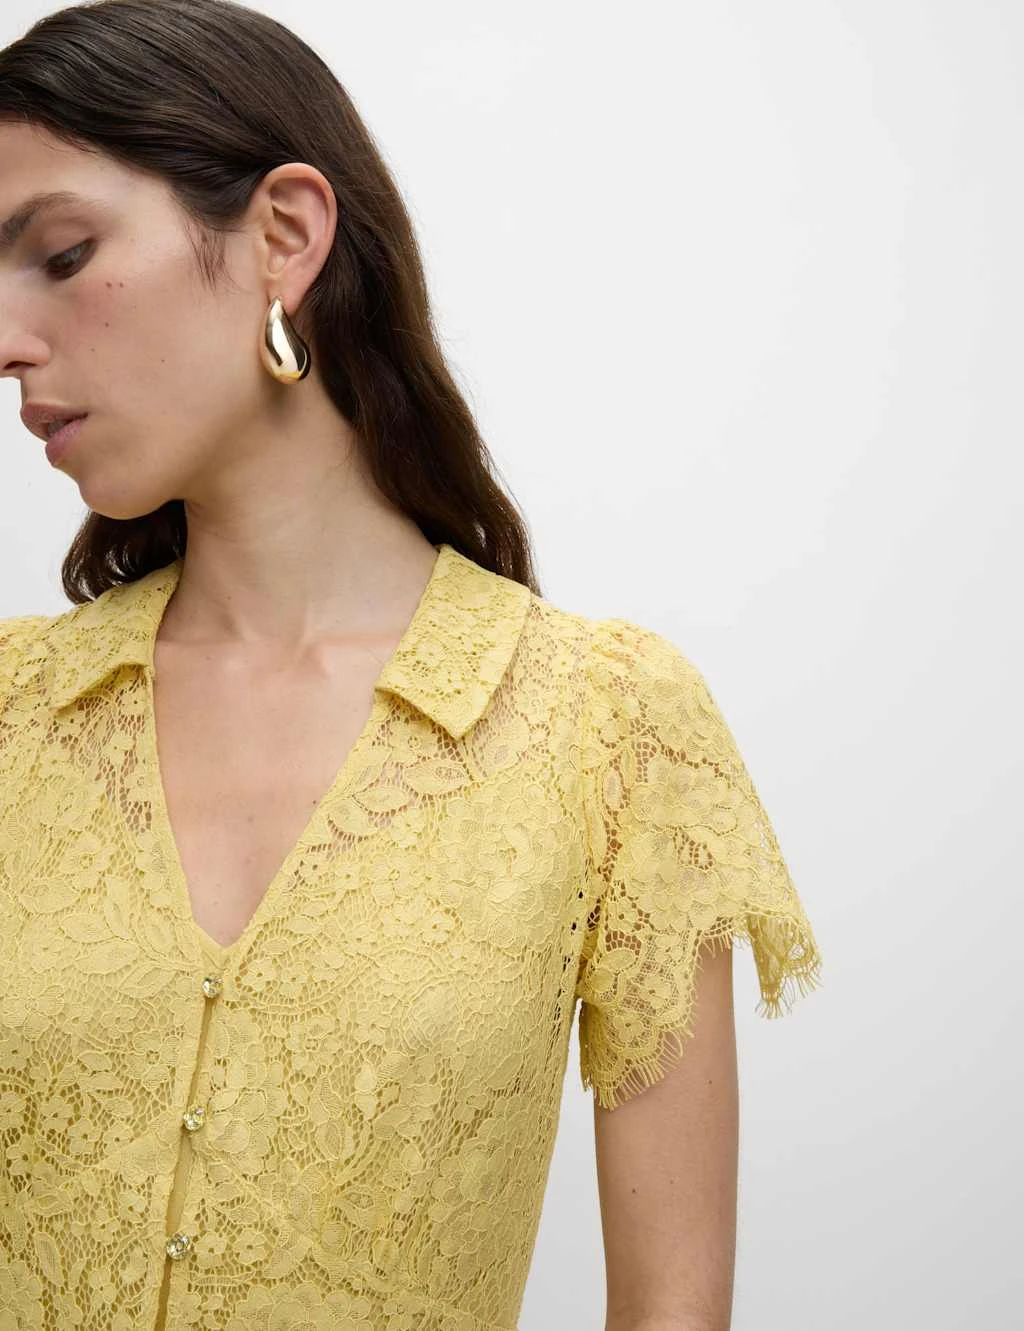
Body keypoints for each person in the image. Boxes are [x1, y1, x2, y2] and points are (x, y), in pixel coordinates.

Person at [0, 2, 823, 1328]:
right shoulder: (10, 715)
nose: (7, 338)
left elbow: (673, 1306)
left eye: (61, 254)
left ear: (283, 236)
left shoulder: (605, 728)